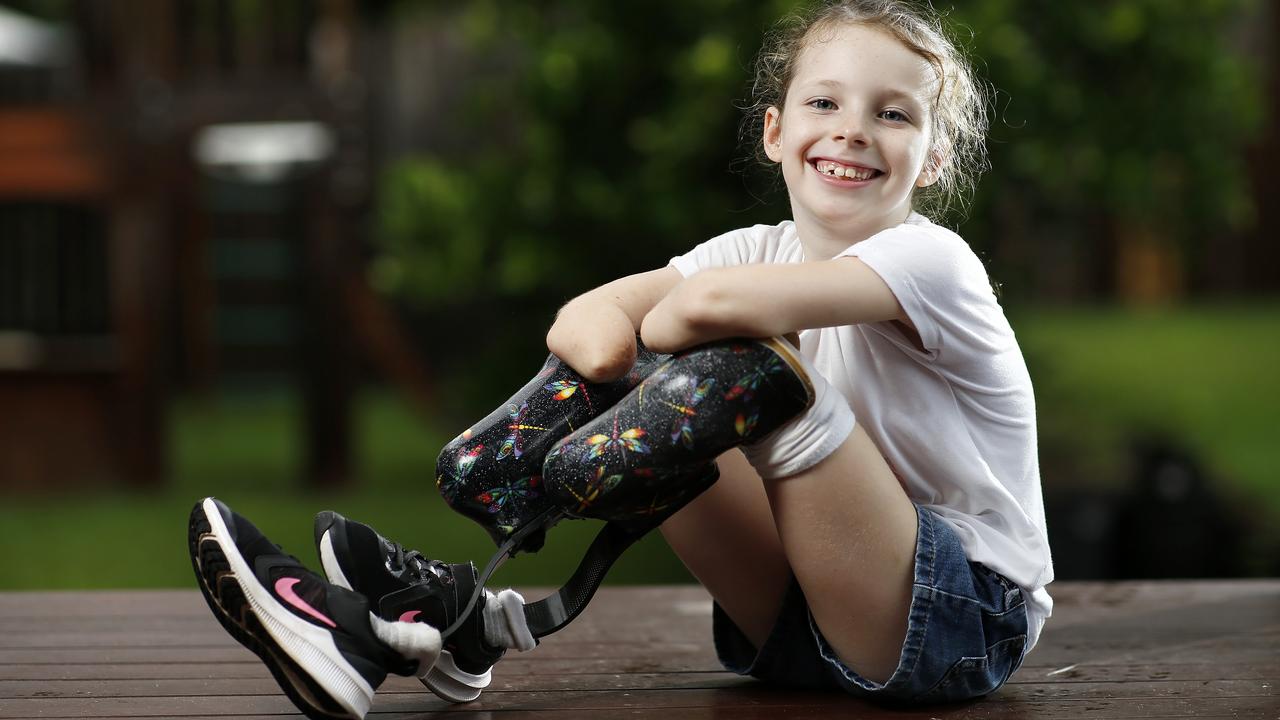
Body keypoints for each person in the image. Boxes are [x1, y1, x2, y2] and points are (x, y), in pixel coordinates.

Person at [187, 1, 1052, 717]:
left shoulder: (932, 261)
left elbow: (705, 310)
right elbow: (589, 327)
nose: (853, 131)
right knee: (651, 379)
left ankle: (446, 620)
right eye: (825, 105)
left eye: (892, 113)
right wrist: (623, 375)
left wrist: (666, 334)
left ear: (932, 159)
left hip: (961, 621)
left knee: (744, 374)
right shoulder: (759, 246)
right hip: (803, 628)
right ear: (774, 132)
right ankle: (440, 630)